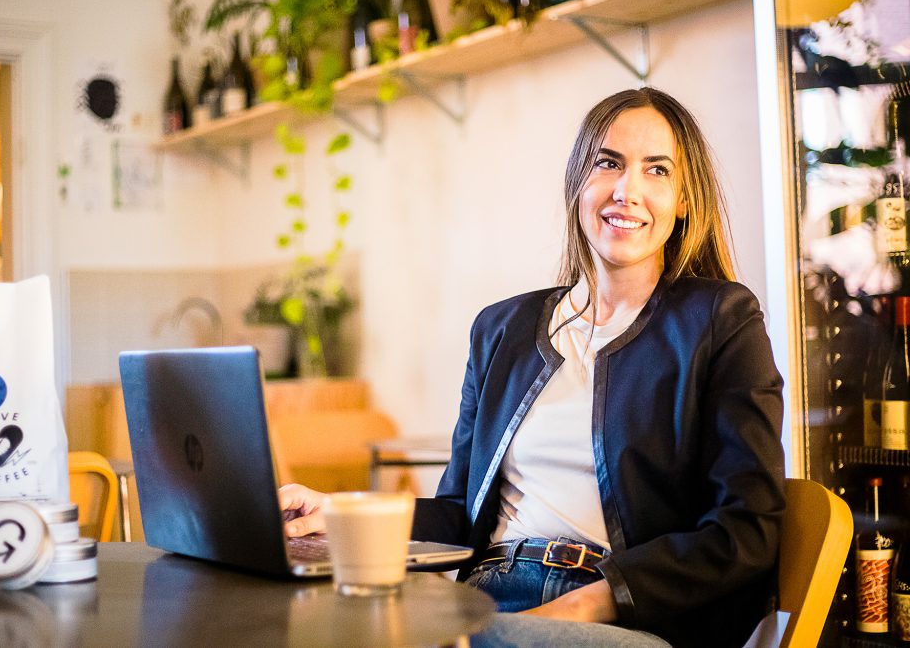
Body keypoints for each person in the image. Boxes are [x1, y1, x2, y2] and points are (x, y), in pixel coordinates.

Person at [278, 87, 785, 648]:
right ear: (577, 182)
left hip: (618, 614)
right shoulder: (502, 330)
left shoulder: (721, 320)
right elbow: (457, 512)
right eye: (608, 162)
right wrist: (339, 512)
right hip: (486, 593)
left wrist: (589, 601)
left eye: (657, 170)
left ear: (685, 199)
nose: (627, 190)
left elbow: (748, 529)